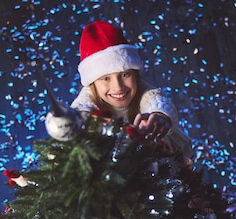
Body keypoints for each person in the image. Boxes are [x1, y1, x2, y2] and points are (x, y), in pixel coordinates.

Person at [67, 20, 191, 160]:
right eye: (105, 78)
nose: (118, 87)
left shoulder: (143, 91)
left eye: (125, 74)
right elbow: (80, 109)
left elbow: (156, 100)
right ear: (92, 83)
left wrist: (159, 116)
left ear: (135, 73)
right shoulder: (89, 96)